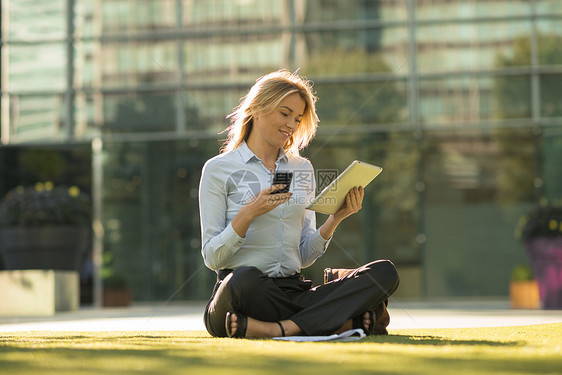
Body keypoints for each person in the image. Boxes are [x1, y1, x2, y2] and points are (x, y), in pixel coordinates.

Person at [199, 69, 399, 338]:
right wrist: (249, 213)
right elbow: (212, 258)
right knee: (243, 280)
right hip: (244, 293)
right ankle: (342, 322)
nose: (292, 125)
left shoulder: (302, 169)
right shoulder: (219, 169)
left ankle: (278, 328)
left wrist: (335, 219)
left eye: (297, 118)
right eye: (285, 113)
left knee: (384, 273)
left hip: (293, 292)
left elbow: (303, 256)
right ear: (257, 108)